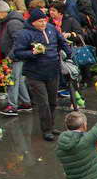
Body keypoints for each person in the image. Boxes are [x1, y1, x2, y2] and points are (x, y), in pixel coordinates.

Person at [13, 8, 67, 142]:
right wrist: (32, 53)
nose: (43, 23)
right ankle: (46, 130)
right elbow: (17, 53)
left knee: (53, 101)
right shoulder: (24, 34)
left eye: (44, 20)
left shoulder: (51, 28)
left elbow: (61, 41)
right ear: (33, 22)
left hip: (52, 71)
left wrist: (69, 53)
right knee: (43, 103)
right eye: (40, 21)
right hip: (35, 73)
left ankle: (51, 125)